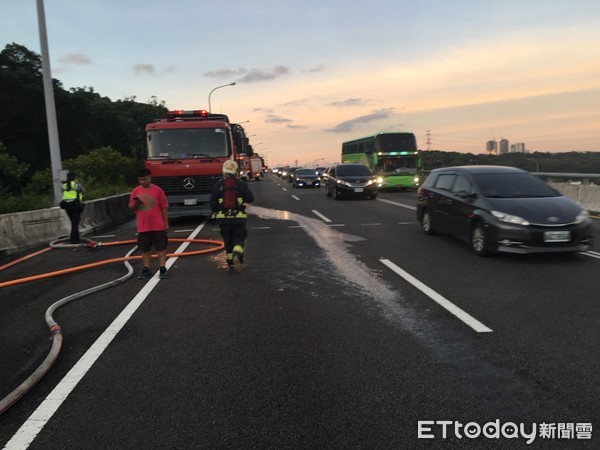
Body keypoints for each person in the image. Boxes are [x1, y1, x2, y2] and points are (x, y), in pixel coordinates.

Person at [210, 160, 254, 273]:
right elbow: (250, 199)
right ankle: (237, 255)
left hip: (223, 220)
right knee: (239, 239)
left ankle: (230, 262)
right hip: (239, 219)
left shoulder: (217, 185)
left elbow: (213, 205)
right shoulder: (242, 184)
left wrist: (217, 212)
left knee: (228, 241)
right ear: (236, 171)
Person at [129, 168, 169, 279]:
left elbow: (164, 207)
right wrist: (136, 202)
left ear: (150, 178)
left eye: (144, 179)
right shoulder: (135, 191)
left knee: (161, 248)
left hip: (157, 225)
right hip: (143, 226)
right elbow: (131, 208)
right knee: (145, 249)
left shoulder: (158, 190)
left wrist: (166, 223)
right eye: (140, 180)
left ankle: (162, 268)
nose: (142, 182)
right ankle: (146, 268)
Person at [62, 172, 85, 244]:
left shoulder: (64, 185)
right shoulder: (77, 185)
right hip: (75, 205)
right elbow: (83, 192)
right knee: (75, 223)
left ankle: (76, 237)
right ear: (75, 177)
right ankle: (74, 239)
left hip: (67, 206)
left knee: (73, 222)